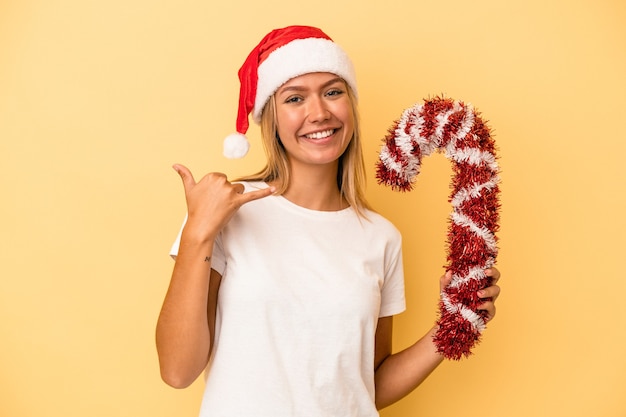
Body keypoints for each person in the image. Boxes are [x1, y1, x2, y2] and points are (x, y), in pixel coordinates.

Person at [155, 25, 501, 417]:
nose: (319, 113)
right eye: (295, 98)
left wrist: (453, 324)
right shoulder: (226, 211)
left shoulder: (380, 238)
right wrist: (198, 233)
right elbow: (177, 371)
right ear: (270, 116)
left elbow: (366, 385)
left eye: (333, 92)